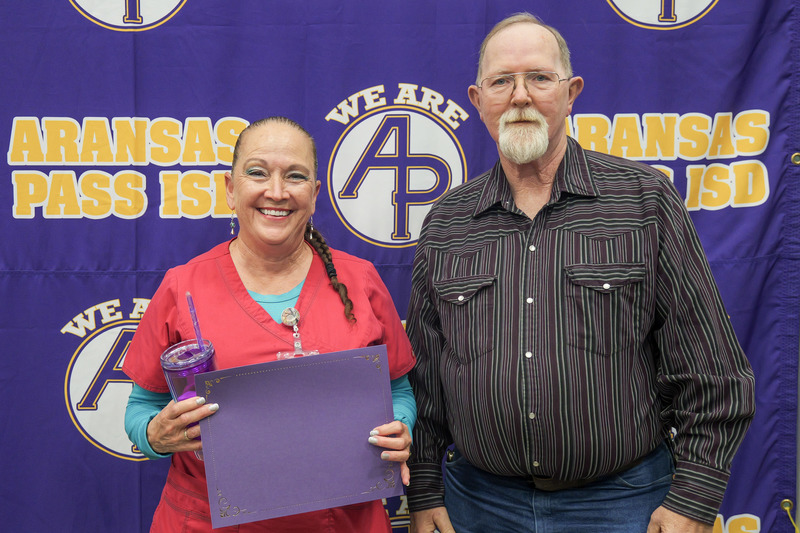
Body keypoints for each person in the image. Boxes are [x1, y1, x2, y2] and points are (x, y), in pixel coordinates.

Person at [405, 13, 755, 533]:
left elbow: (713, 370)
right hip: (478, 506)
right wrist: (427, 485)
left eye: (539, 78)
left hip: (624, 501)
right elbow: (427, 379)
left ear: (571, 93)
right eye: (502, 81)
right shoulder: (447, 223)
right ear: (479, 102)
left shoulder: (643, 200)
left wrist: (695, 498)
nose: (520, 95)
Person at [122, 116, 416, 532]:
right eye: (257, 172)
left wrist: (399, 426)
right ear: (230, 188)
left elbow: (398, 388)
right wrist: (154, 437)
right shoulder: (181, 287)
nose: (276, 192)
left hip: (344, 521)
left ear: (314, 196)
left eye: (294, 177)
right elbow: (141, 407)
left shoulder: (362, 280)